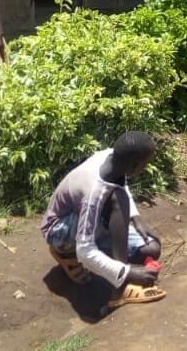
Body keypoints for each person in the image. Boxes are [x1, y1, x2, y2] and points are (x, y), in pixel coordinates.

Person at [42, 131, 166, 308]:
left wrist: (135, 217)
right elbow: (85, 250)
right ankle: (120, 289)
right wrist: (127, 272)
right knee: (118, 201)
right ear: (133, 166)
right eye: (145, 164)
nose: (146, 168)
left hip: (91, 218)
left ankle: (118, 272)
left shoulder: (111, 157)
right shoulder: (93, 192)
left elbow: (120, 182)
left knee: (150, 249)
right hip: (59, 230)